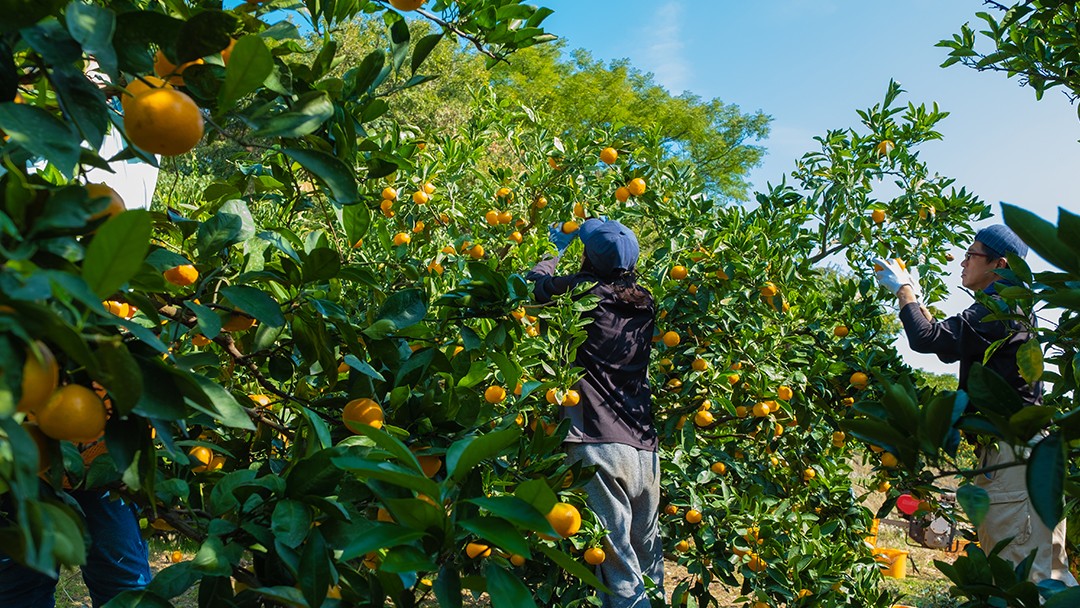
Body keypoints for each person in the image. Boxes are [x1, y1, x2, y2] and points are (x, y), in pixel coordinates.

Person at [873, 224, 1076, 586]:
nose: (963, 262)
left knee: (1024, 578)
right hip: (1022, 458)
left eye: (971, 255)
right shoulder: (1003, 308)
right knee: (1046, 575)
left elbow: (926, 339)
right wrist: (915, 301)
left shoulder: (1001, 308)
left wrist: (905, 291)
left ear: (999, 264)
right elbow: (948, 345)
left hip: (1015, 458)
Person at [527, 218, 663, 608]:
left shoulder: (581, 292)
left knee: (620, 571)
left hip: (598, 443)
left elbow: (530, 285)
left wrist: (555, 250)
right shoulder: (646, 303)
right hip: (645, 452)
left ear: (589, 257)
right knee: (649, 566)